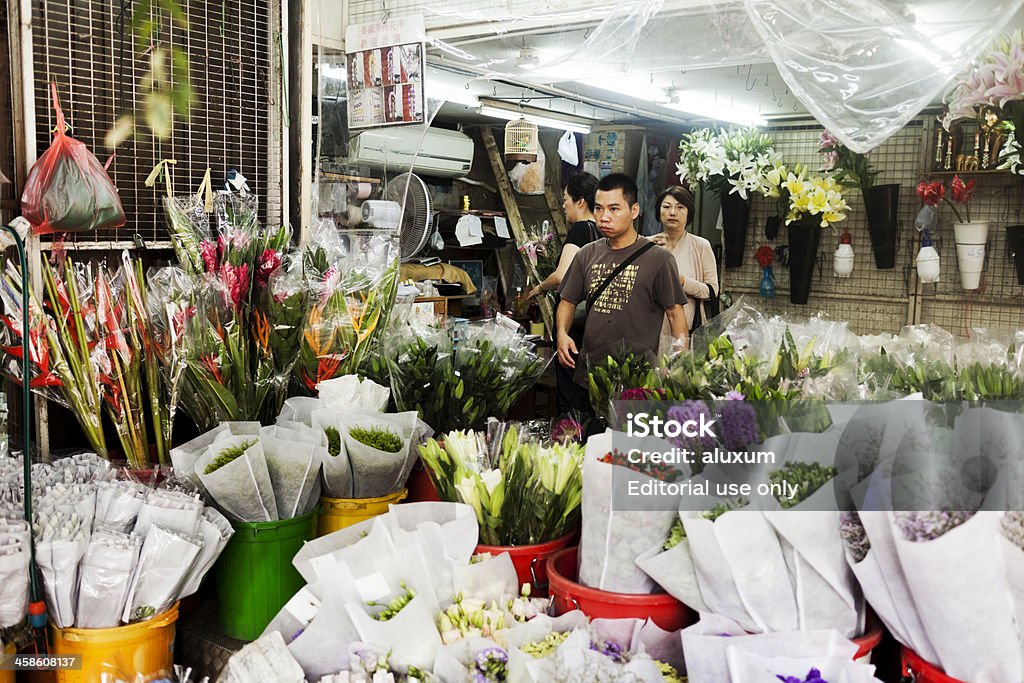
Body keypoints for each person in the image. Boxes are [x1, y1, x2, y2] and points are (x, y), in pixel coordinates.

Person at [556, 173, 689, 416]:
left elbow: (675, 313)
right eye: (598, 208)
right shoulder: (586, 254)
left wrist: (677, 360)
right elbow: (567, 301)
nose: (604, 217)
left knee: (627, 449)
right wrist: (562, 333)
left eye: (614, 209)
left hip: (637, 379)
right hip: (590, 375)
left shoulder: (659, 259)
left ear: (634, 210)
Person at [527, 172, 600, 416]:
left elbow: (561, 275)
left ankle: (570, 442)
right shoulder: (603, 231)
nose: (563, 204)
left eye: (566, 198)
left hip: (575, 326)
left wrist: (540, 287)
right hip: (595, 324)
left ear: (581, 202)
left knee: (571, 398)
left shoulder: (580, 229)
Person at [650, 186, 719, 349]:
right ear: (659, 211)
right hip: (651, 329)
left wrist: (681, 281)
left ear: (689, 213)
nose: (672, 212)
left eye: (680, 207)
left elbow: (712, 291)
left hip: (687, 331)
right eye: (666, 207)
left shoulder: (701, 245)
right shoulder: (647, 244)